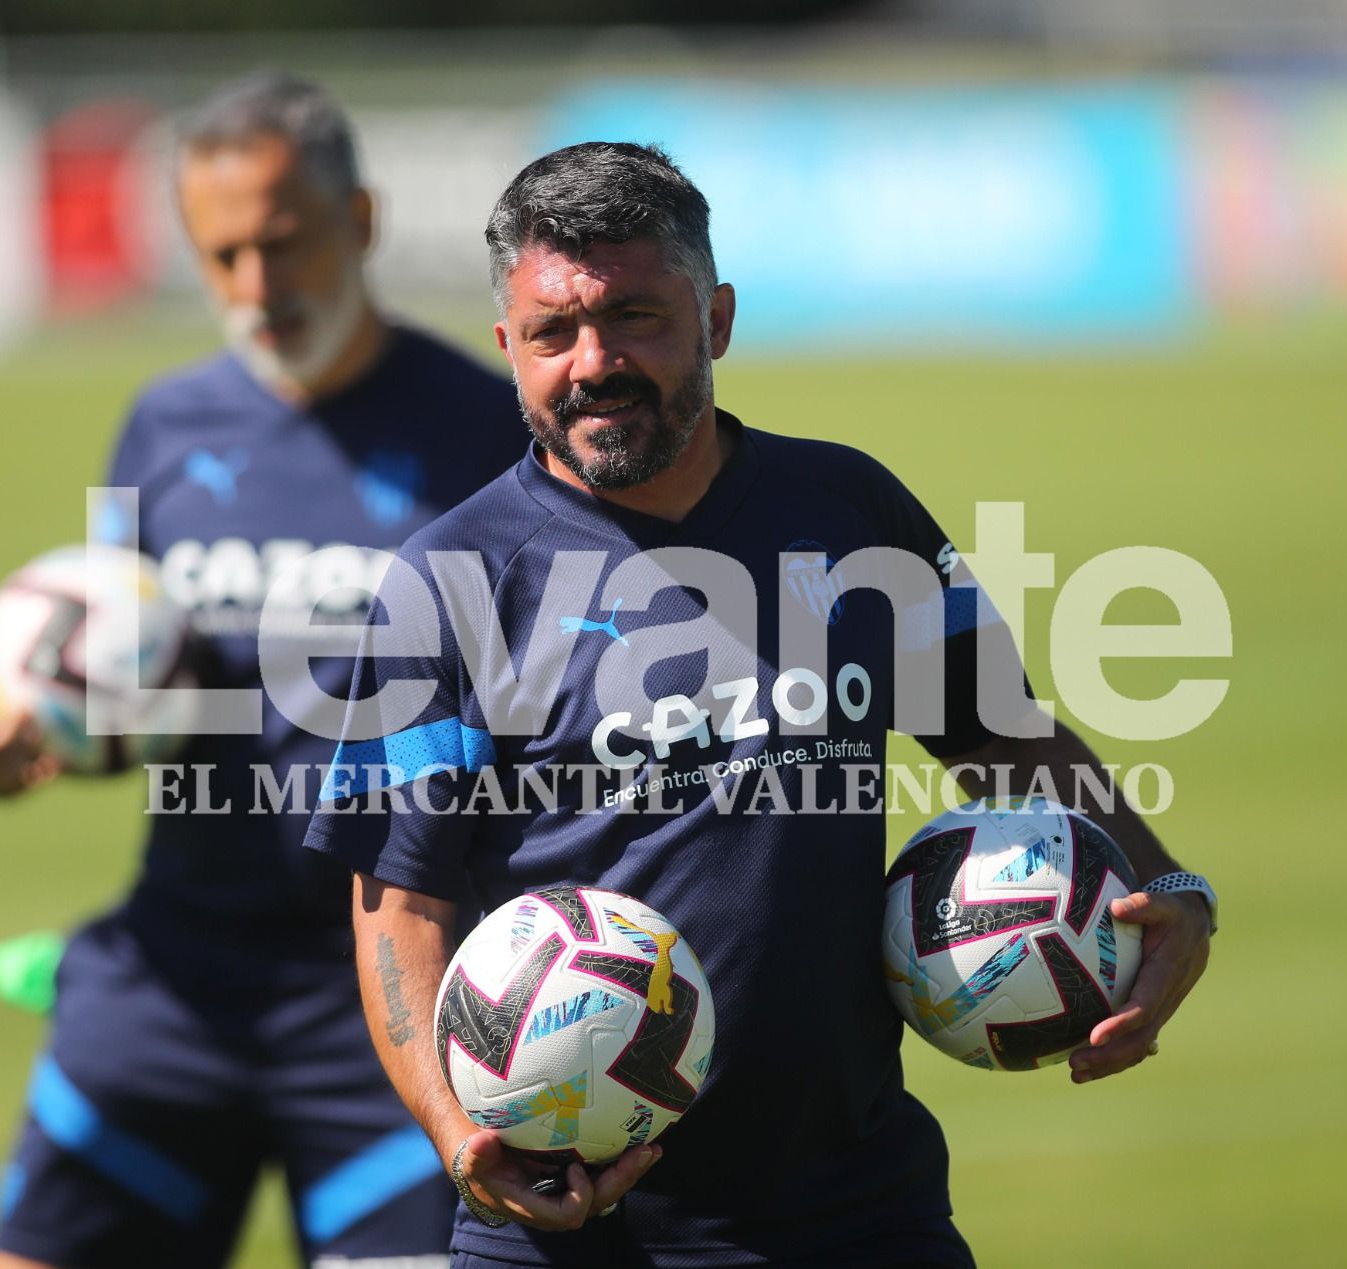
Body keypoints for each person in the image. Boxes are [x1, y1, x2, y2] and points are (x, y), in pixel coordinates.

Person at [302, 141, 1216, 1268]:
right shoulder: (448, 583)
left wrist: (1165, 881)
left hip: (855, 1210)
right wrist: (454, 1135)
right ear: (509, 348)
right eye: (552, 333)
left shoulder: (848, 506)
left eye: (635, 315)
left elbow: (998, 730)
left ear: (716, 316)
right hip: (572, 1228)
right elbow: (401, 908)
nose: (594, 362)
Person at [0, 74, 524, 1269]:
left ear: (357, 223)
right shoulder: (165, 423)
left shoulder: (487, 434)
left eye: (284, 244)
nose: (256, 288)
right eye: (222, 256)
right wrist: (24, 745)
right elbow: (128, 695)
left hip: (391, 993)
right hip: (173, 980)